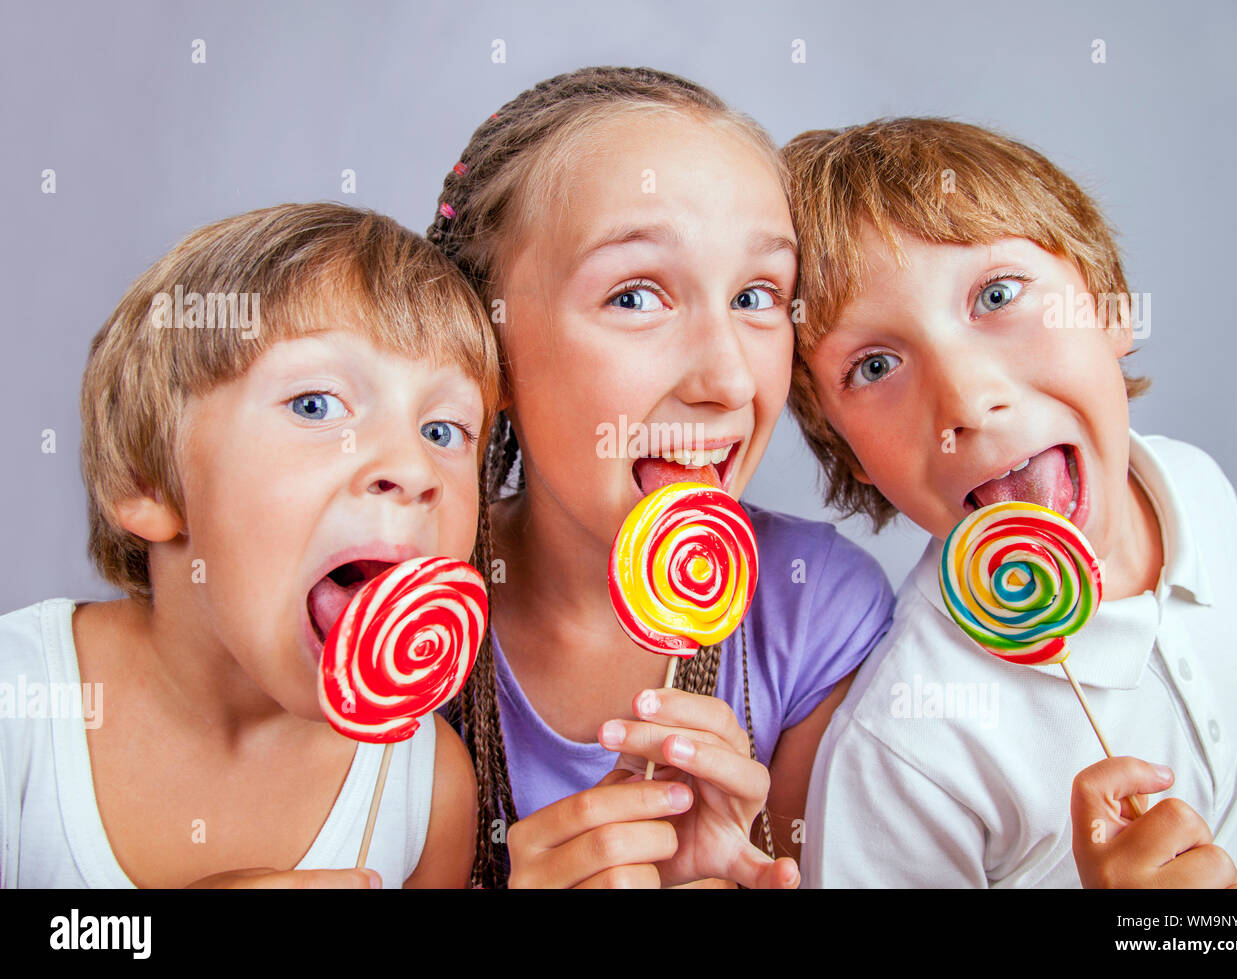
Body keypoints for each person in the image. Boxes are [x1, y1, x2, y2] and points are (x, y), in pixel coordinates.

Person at [426, 66, 894, 888]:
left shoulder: (813, 611)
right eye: (637, 297)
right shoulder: (388, 610)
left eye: (756, 295)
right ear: (484, 347)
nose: (729, 380)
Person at [783, 118, 1237, 887]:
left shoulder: (1199, 492)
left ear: (1112, 305)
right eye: (875, 364)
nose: (969, 400)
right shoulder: (908, 747)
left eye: (998, 294)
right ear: (856, 459)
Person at [0, 203, 495, 888]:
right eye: (316, 403)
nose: (413, 469)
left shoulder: (424, 786)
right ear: (149, 477)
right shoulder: (18, 702)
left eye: (444, 430)